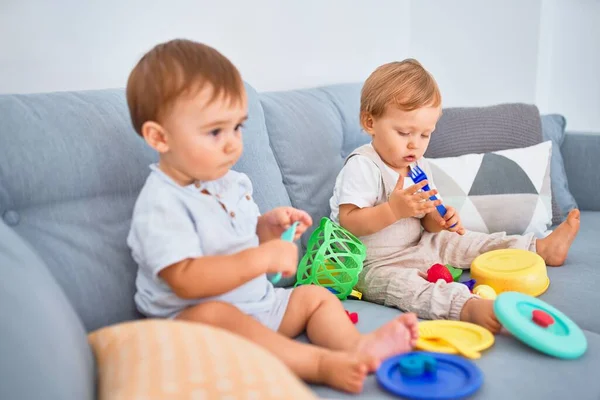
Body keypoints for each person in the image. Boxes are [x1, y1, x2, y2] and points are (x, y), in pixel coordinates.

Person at [126, 39, 418, 393]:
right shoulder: (162, 202)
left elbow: (239, 242)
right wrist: (261, 257)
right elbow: (185, 279)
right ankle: (320, 364)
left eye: (237, 127)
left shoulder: (231, 183)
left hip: (259, 306)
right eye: (216, 131)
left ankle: (355, 347)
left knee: (314, 297)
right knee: (214, 314)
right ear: (159, 137)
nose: (233, 143)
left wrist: (265, 230)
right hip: (194, 322)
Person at [330, 59, 581, 333]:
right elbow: (348, 222)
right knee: (409, 289)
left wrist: (441, 220)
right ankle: (466, 306)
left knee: (469, 240)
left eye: (425, 134)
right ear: (370, 122)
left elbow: (427, 221)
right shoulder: (364, 165)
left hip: (422, 243)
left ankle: (537, 249)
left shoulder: (418, 166)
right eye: (404, 133)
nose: (415, 143)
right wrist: (393, 210)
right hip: (372, 263)